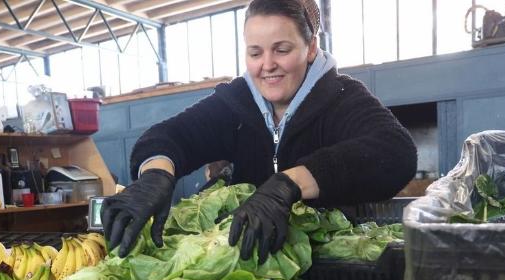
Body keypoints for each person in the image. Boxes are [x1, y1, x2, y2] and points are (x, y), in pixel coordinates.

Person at [102, 0, 417, 263]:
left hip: (331, 264)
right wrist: (155, 176)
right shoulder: (235, 104)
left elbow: (396, 152)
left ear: (310, 48)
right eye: (255, 53)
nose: (267, 65)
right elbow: (169, 137)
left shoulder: (342, 97)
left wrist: (288, 184)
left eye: (281, 50)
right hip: (254, 263)